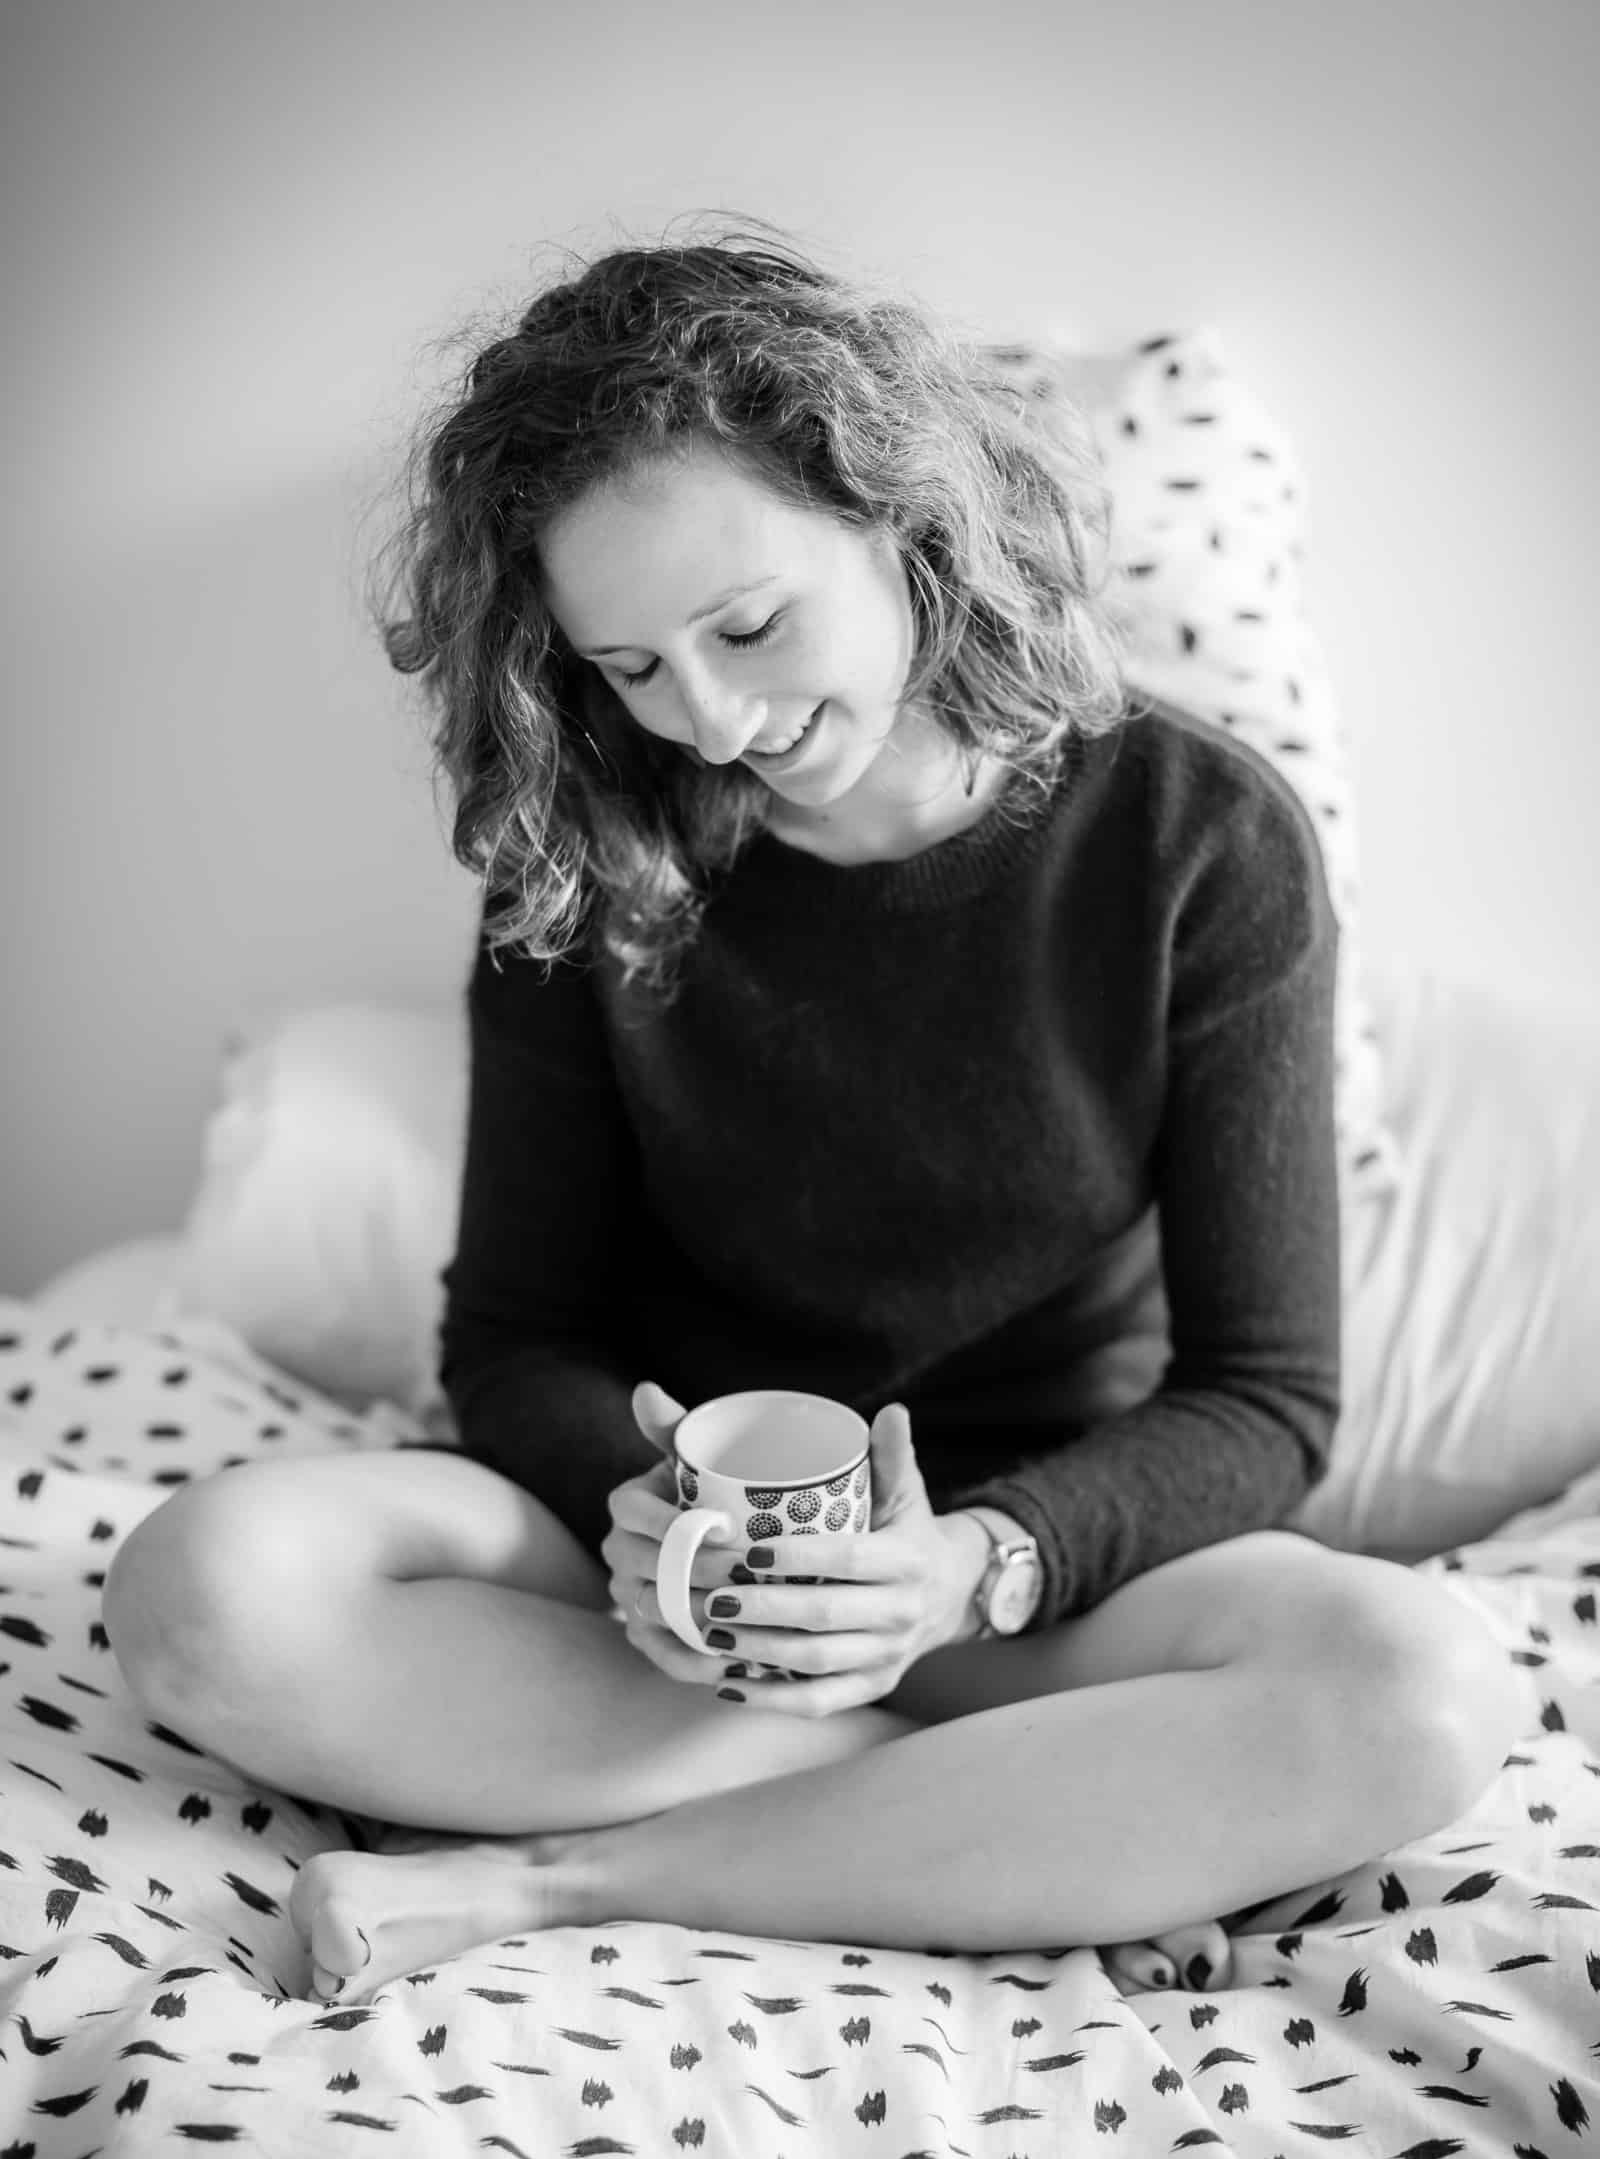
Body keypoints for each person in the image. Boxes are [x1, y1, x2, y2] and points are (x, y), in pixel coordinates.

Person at [102, 219, 1518, 2009]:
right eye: (628, 669)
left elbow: (1266, 1397)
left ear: (905, 521)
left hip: (1033, 1593)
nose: (708, 720)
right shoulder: (591, 860)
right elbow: (518, 1336)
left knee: (1424, 1689)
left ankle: (555, 1885)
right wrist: (658, 1526)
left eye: (750, 624)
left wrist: (965, 1574)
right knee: (199, 1589)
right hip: (680, 1603)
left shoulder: (1198, 840)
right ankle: (1004, 1836)